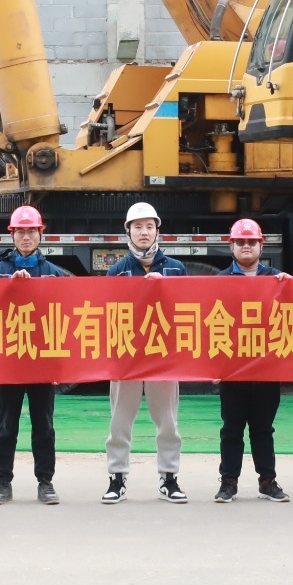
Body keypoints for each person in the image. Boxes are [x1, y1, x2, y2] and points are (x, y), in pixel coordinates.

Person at [103, 201, 188, 504]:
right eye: (137, 226)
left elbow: (187, 311)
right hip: (126, 357)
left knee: (167, 422)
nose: (143, 232)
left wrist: (165, 289)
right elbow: (107, 315)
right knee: (119, 422)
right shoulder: (117, 270)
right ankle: (117, 479)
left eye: (149, 226)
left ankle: (169, 478)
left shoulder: (176, 269)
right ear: (128, 232)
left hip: (162, 357)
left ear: (157, 231)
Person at [0, 205, 63, 504]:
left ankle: (45, 482)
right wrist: (9, 288)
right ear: (13, 235)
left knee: (43, 424)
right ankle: (2, 481)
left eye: (31, 230)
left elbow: (64, 316)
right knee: (7, 424)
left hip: (42, 360)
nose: (26, 236)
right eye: (20, 231)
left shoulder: (53, 273)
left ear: (41, 233)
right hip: (10, 360)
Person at [215, 218, 290, 503]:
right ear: (231, 246)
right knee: (231, 429)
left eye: (252, 242)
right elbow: (208, 327)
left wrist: (292, 288)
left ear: (261, 245)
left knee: (263, 429)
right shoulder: (219, 282)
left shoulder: (279, 279)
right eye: (241, 242)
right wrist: (213, 366)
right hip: (233, 371)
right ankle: (228, 483)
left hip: (267, 369)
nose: (246, 247)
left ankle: (267, 481)